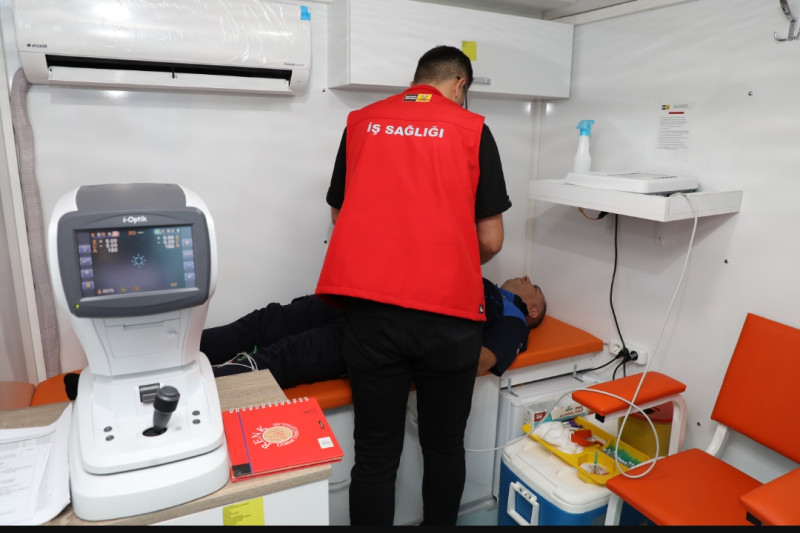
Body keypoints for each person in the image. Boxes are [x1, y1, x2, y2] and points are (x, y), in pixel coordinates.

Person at [314, 45, 512, 525]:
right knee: (444, 450)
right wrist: (447, 257)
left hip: (371, 314)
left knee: (374, 456)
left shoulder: (361, 123)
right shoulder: (472, 129)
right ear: (460, 84)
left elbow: (341, 217)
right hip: (448, 317)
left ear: (417, 79)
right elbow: (490, 239)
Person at [201, 276, 546, 387]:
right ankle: (180, 354)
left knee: (283, 358)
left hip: (383, 332)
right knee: (264, 322)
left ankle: (193, 391)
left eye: (534, 286)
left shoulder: (513, 317)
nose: (526, 278)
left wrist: (412, 354)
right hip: (366, 297)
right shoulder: (485, 284)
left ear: (533, 310)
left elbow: (482, 360)